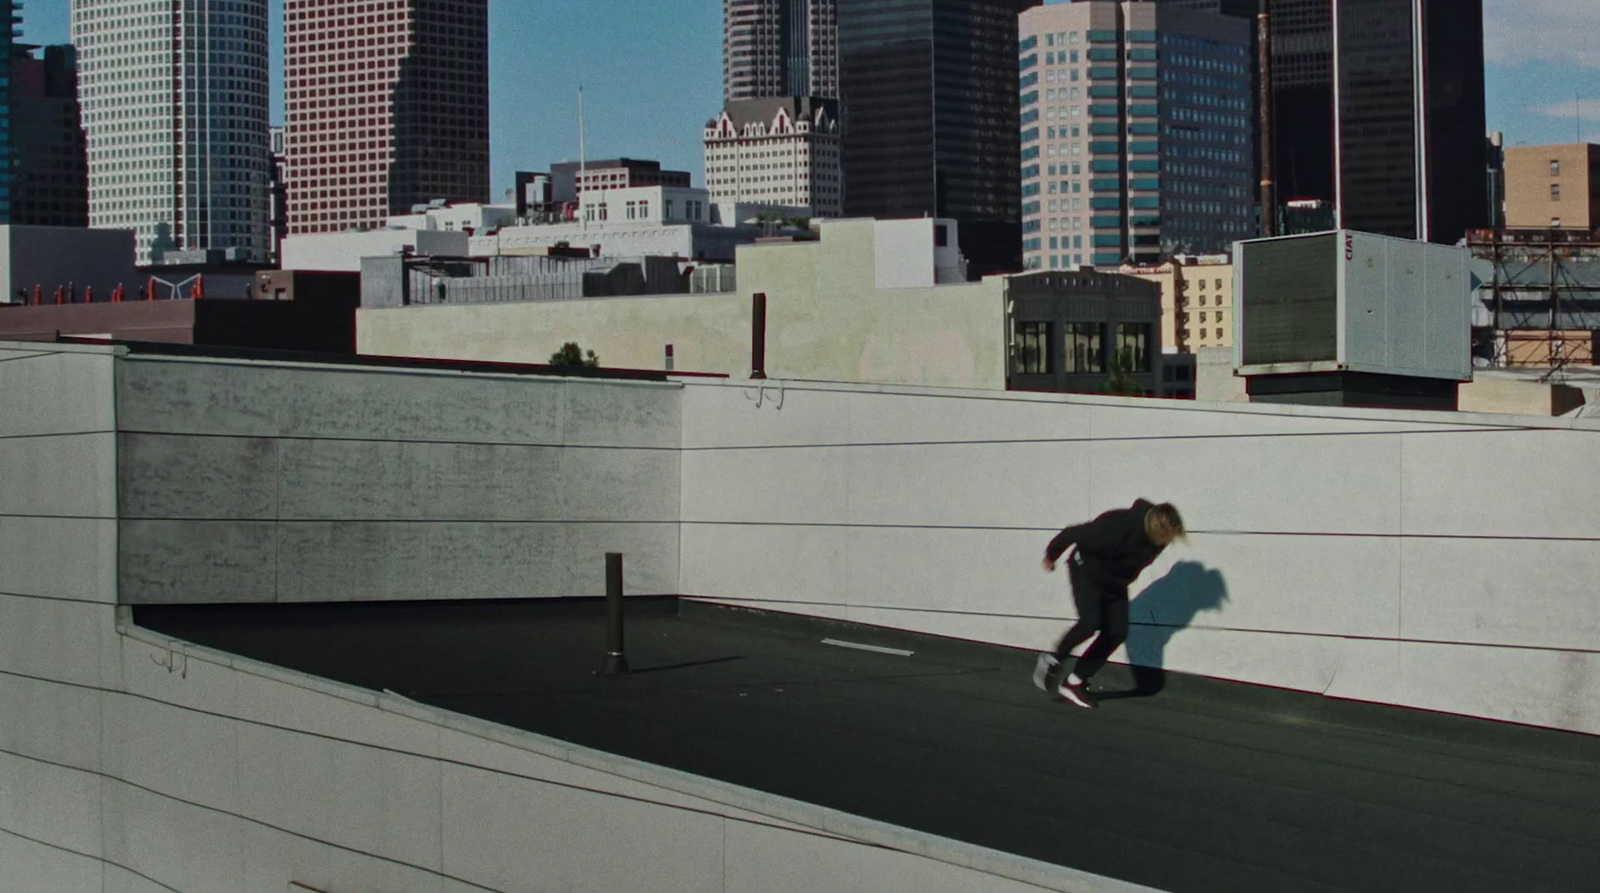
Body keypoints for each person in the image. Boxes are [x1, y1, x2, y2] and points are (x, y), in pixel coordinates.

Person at [1034, 499, 1185, 708]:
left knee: (1117, 631)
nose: (1168, 542)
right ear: (1156, 528)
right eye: (1166, 536)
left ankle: (1075, 682)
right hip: (1086, 569)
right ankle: (1055, 659)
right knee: (1090, 622)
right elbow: (1072, 533)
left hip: (1113, 581)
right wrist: (1051, 555)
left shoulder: (1159, 539)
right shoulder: (1117, 527)